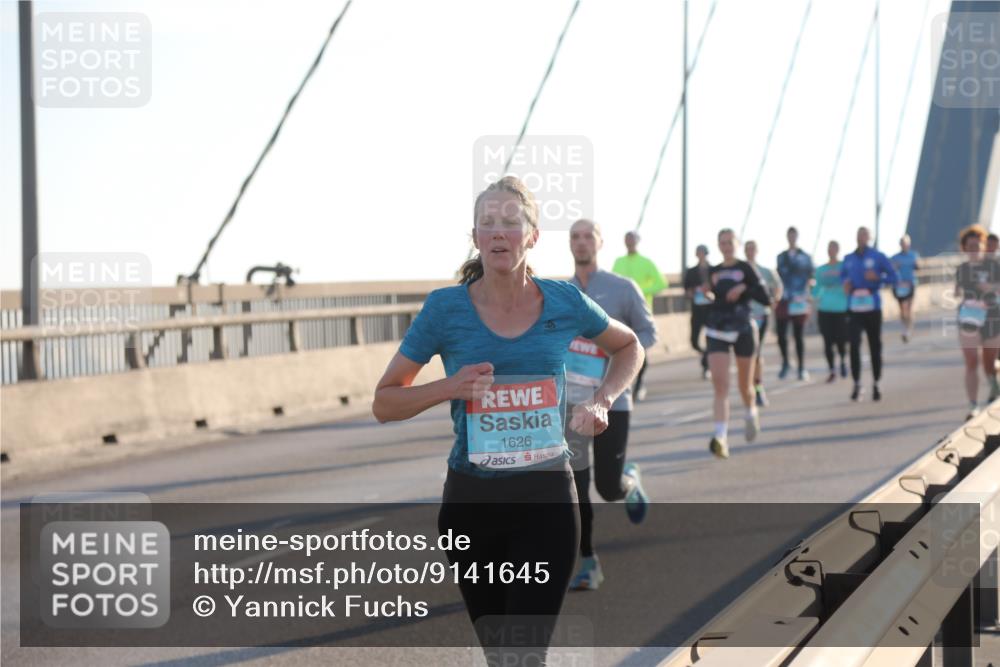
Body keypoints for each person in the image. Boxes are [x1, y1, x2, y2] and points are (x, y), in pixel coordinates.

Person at [372, 177, 643, 661]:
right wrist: (450, 387)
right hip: (471, 504)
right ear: (475, 238)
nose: (499, 233)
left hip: (547, 502)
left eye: (511, 223)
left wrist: (602, 399)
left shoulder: (564, 301)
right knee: (501, 655)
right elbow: (385, 401)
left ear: (533, 236)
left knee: (524, 655)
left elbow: (628, 346)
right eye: (488, 224)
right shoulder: (445, 309)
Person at [564, 219, 656, 590]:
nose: (581, 242)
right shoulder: (559, 292)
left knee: (607, 487)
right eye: (575, 236)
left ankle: (628, 482)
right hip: (571, 402)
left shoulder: (622, 287)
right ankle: (588, 562)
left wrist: (613, 355)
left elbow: (647, 334)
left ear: (600, 243)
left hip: (613, 400)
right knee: (577, 486)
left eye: (588, 236)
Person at [705, 229, 772, 459]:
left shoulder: (746, 268)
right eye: (722, 242)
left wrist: (744, 287)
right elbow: (709, 293)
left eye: (729, 242)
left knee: (745, 385)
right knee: (720, 386)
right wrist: (706, 293)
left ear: (737, 244)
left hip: (743, 327)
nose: (726, 246)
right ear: (718, 245)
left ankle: (751, 412)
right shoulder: (713, 271)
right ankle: (721, 437)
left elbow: (766, 298)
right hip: (717, 328)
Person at [841, 226, 898, 402]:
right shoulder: (848, 258)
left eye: (865, 235)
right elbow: (842, 277)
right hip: (854, 307)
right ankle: (857, 383)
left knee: (875, 346)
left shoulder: (878, 257)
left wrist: (878, 279)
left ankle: (877, 382)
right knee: (854, 346)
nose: (862, 238)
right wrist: (846, 283)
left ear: (870, 238)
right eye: (859, 235)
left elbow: (894, 277)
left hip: (872, 306)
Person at [612, 231, 667, 400]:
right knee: (619, 351)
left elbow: (662, 283)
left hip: (640, 312)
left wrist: (640, 292)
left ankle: (639, 383)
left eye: (632, 240)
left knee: (639, 349)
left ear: (637, 242)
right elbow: (611, 282)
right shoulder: (619, 261)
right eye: (627, 239)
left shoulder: (646, 262)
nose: (629, 242)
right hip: (620, 314)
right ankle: (622, 384)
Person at [954, 225, 1000, 419]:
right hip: (969, 315)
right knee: (972, 361)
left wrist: (987, 287)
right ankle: (973, 405)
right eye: (969, 245)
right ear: (964, 248)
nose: (974, 249)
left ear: (983, 246)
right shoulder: (962, 268)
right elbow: (958, 290)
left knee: (989, 363)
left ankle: (994, 383)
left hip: (992, 315)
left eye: (977, 245)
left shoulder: (994, 265)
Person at [775, 226, 815, 381]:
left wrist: (810, 285)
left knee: (798, 335)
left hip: (799, 300)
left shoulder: (805, 256)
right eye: (789, 235)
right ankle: (785, 362)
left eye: (794, 235)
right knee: (781, 335)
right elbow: (778, 276)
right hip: (784, 300)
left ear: (797, 236)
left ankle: (801, 367)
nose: (791, 238)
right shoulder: (781, 257)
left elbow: (812, 275)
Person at [744, 240, 780, 406]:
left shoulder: (765, 271)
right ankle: (748, 386)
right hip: (744, 317)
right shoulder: (741, 270)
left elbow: (778, 285)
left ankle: (758, 387)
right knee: (746, 354)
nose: (750, 251)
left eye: (753, 249)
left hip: (761, 316)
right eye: (747, 249)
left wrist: (775, 300)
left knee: (757, 352)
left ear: (757, 251)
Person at [812, 240, 850, 383]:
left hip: (841, 308)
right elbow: (816, 289)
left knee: (841, 340)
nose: (831, 250)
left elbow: (849, 284)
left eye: (834, 248)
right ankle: (832, 370)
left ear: (838, 250)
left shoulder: (844, 267)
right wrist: (810, 295)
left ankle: (842, 361)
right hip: (825, 309)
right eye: (829, 248)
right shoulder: (821, 270)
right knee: (827, 341)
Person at [683, 244, 713, 379]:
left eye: (702, 252)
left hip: (711, 310)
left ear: (706, 254)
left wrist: (710, 293)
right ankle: (705, 354)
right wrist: (693, 291)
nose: (700, 255)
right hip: (697, 309)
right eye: (698, 252)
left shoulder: (713, 270)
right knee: (694, 341)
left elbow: (719, 289)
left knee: (710, 339)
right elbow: (686, 290)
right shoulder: (691, 271)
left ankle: (706, 365)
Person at [890, 234, 921, 343]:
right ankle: (904, 327)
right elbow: (891, 270)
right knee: (902, 309)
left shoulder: (913, 255)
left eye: (905, 243)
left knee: (909, 307)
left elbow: (919, 268)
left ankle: (908, 330)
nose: (904, 245)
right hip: (899, 285)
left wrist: (917, 265)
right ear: (900, 245)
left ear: (909, 244)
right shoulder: (895, 257)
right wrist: (895, 267)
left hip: (910, 284)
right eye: (902, 243)